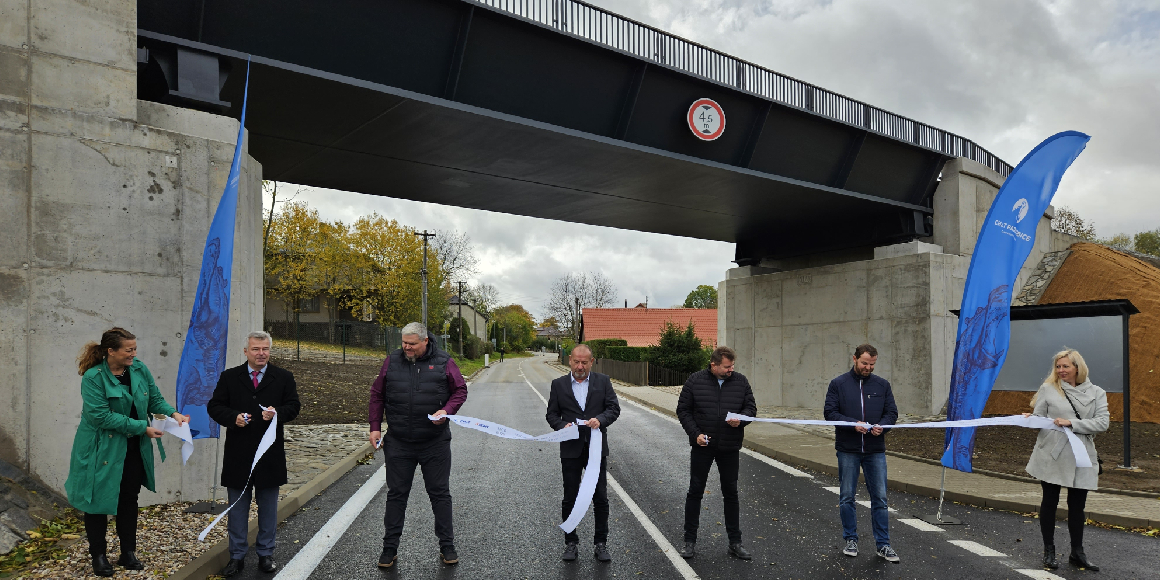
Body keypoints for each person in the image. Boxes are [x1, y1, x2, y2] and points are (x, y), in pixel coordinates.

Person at [65, 328, 189, 577]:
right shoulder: (92, 377)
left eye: (135, 348)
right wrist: (142, 427)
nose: (134, 354)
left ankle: (127, 552)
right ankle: (98, 555)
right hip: (101, 448)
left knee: (128, 498)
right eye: (128, 350)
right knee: (96, 501)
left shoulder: (139, 369)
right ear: (111, 351)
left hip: (133, 447)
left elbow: (154, 399)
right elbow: (100, 416)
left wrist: (173, 413)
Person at [369, 322, 468, 568]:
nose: (407, 347)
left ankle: (447, 545)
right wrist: (374, 426)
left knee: (440, 494)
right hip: (399, 442)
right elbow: (377, 394)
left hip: (434, 443)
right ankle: (389, 548)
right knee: (396, 495)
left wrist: (447, 410)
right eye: (404, 342)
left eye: (412, 343)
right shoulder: (392, 361)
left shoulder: (445, 362)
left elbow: (460, 391)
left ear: (425, 341)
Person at [208, 331, 301, 577]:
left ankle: (265, 554)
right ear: (246, 351)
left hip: (269, 455)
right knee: (238, 508)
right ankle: (236, 557)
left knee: (268, 509)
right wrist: (233, 418)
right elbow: (215, 406)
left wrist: (277, 413)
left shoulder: (283, 377)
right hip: (239, 455)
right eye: (256, 349)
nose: (261, 353)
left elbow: (294, 406)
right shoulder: (230, 377)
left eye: (265, 349)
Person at [1023, 349, 1108, 571]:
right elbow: (1041, 418)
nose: (1061, 371)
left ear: (1077, 368)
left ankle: (1077, 553)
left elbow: (1102, 423)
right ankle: (1049, 550)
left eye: (1065, 366)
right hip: (1052, 453)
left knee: (1077, 507)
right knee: (1049, 502)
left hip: (1081, 454)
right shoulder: (1048, 389)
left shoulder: (1097, 392)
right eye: (1058, 367)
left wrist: (1072, 423)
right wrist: (1030, 420)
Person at [674, 346, 756, 561]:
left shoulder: (740, 381)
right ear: (714, 365)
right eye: (727, 367)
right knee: (695, 491)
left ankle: (735, 542)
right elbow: (683, 410)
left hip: (729, 447)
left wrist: (742, 419)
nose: (731, 370)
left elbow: (751, 409)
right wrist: (695, 434)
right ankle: (689, 542)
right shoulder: (695, 381)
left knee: (731, 493)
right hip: (703, 446)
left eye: (732, 366)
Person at [823, 344, 900, 563]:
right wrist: (852, 424)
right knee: (847, 497)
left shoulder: (882, 385)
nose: (868, 368)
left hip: (875, 450)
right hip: (848, 449)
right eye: (865, 363)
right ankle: (851, 539)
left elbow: (891, 412)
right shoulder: (838, 384)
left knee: (881, 499)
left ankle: (883, 545)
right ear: (854, 359)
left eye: (872, 364)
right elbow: (830, 412)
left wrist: (883, 426)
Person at [545, 344, 621, 562]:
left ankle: (600, 543)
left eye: (584, 363)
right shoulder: (558, 385)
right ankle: (571, 542)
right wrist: (561, 426)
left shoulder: (603, 382)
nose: (580, 366)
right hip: (570, 449)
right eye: (576, 362)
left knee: (600, 497)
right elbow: (551, 415)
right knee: (570, 496)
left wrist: (601, 420)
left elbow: (613, 409)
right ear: (570, 360)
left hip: (596, 448)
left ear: (592, 361)